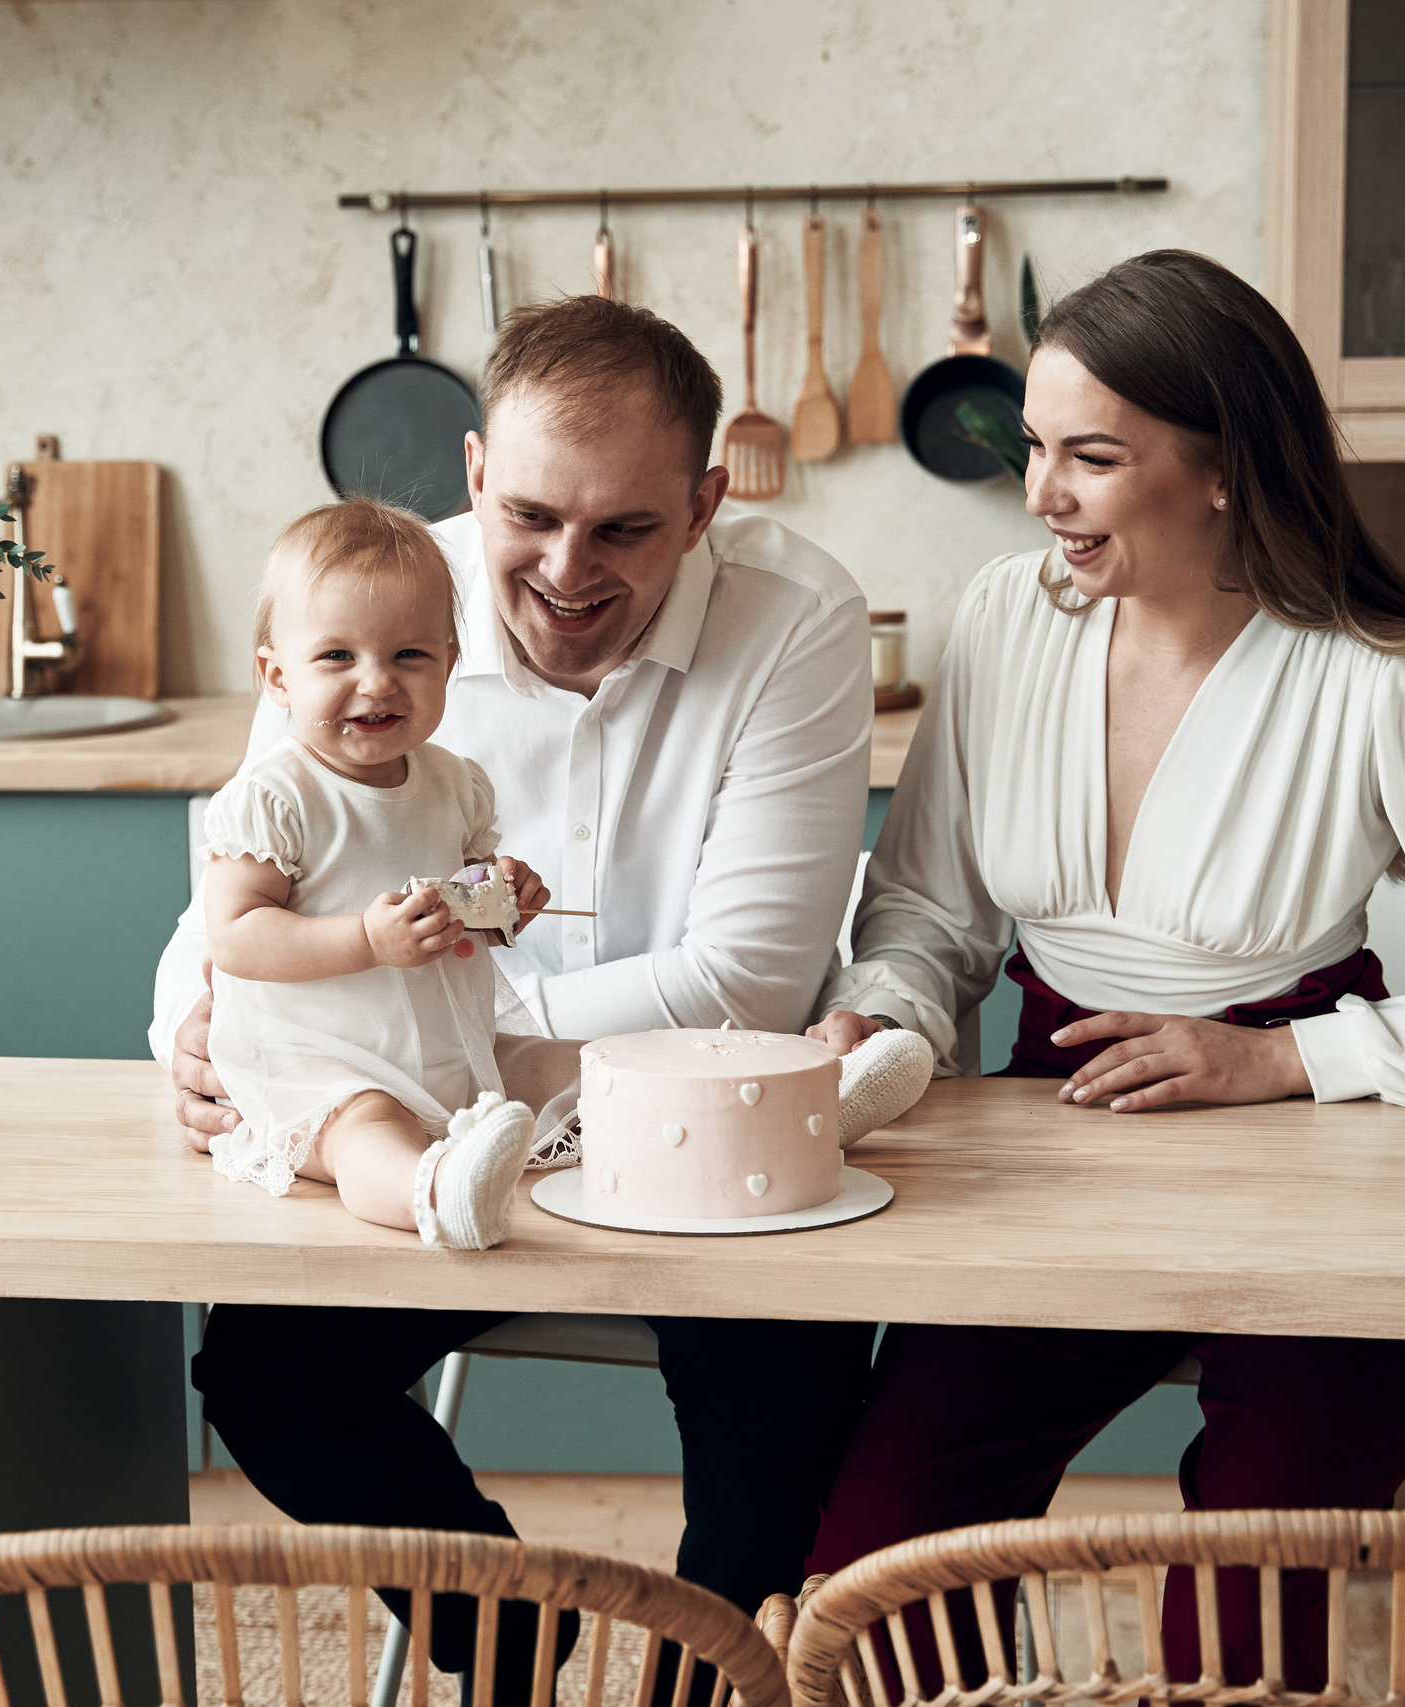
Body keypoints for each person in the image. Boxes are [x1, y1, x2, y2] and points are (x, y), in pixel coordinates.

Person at [801, 250, 1405, 1688]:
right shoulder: (1007, 620)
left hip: (1335, 1173)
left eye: (1092, 457)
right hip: (1059, 1140)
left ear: (1219, 470)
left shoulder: (1383, 674)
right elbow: (930, 914)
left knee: (1238, 1622)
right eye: (1034, 451)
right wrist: (876, 1012)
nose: (1041, 495)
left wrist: (1284, 1058)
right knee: (874, 1568)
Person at [157, 296, 877, 1701]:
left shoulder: (799, 620)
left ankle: (702, 1672)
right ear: (475, 474)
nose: (565, 569)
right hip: (429, 1128)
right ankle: (510, 1635)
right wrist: (190, 1027)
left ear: (707, 502)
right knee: (266, 1376)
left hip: (685, 1129)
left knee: (782, 1422)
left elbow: (743, 975)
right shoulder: (362, 606)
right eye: (533, 514)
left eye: (625, 529)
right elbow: (235, 892)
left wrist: (478, 1031)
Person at [198, 496, 553, 1249]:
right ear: (277, 675)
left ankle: (738, 1107)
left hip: (449, 1040)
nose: (377, 682)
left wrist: (502, 897)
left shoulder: (455, 783)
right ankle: (437, 1189)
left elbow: (464, 910)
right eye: (337, 656)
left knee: (567, 1063)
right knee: (367, 1130)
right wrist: (365, 937)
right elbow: (234, 937)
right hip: (325, 1064)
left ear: (450, 664)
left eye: (409, 656)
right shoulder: (276, 796)